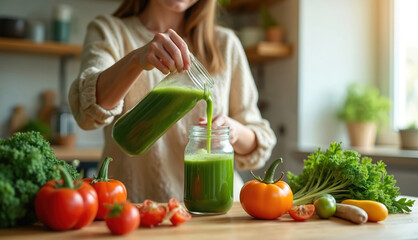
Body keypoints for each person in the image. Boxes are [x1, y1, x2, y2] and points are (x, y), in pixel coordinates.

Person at [69, 0, 276, 203]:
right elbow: (88, 113)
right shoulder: (109, 31)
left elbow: (259, 141)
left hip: (214, 212)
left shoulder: (225, 43)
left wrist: (233, 131)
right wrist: (136, 60)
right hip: (133, 208)